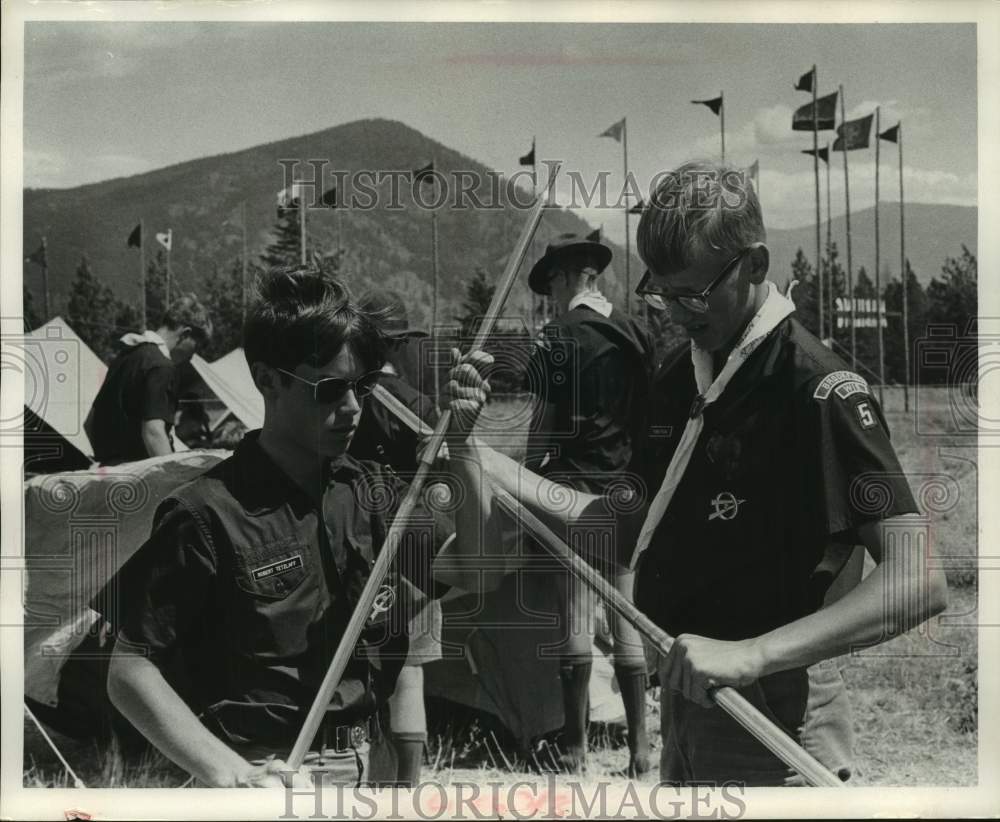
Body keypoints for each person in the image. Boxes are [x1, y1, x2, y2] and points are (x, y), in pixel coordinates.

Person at [445, 160, 948, 786]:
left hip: (778, 718)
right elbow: (621, 526)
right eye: (661, 292)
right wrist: (476, 454)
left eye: (694, 295)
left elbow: (919, 580)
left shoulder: (816, 389)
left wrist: (752, 654)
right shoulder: (681, 374)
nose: (677, 315)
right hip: (687, 705)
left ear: (755, 266)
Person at [96, 267, 489, 788]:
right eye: (329, 389)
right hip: (265, 774)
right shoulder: (206, 512)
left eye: (363, 387)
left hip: (367, 766)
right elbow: (129, 672)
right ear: (267, 379)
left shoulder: (372, 492)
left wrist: (464, 447)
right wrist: (230, 774)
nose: (351, 409)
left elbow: (479, 571)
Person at [522, 234, 655, 775]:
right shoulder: (637, 332)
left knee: (574, 615)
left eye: (551, 283)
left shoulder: (558, 335)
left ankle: (574, 748)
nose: (548, 295)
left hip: (570, 488)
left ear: (571, 275)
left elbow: (544, 423)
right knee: (626, 618)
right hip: (625, 488)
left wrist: (525, 474)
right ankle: (642, 749)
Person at [349, 288, 440, 787]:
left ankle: (375, 784)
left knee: (363, 669)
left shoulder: (343, 396)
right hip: (412, 543)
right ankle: (405, 792)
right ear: (399, 344)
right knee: (409, 669)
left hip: (355, 545)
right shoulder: (417, 403)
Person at [86, 294, 212, 465]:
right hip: (139, 477)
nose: (191, 358)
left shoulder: (126, 356)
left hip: (108, 473)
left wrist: (111, 461)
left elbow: (90, 422)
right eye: (195, 347)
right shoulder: (162, 366)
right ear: (185, 334)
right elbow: (154, 433)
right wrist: (173, 478)